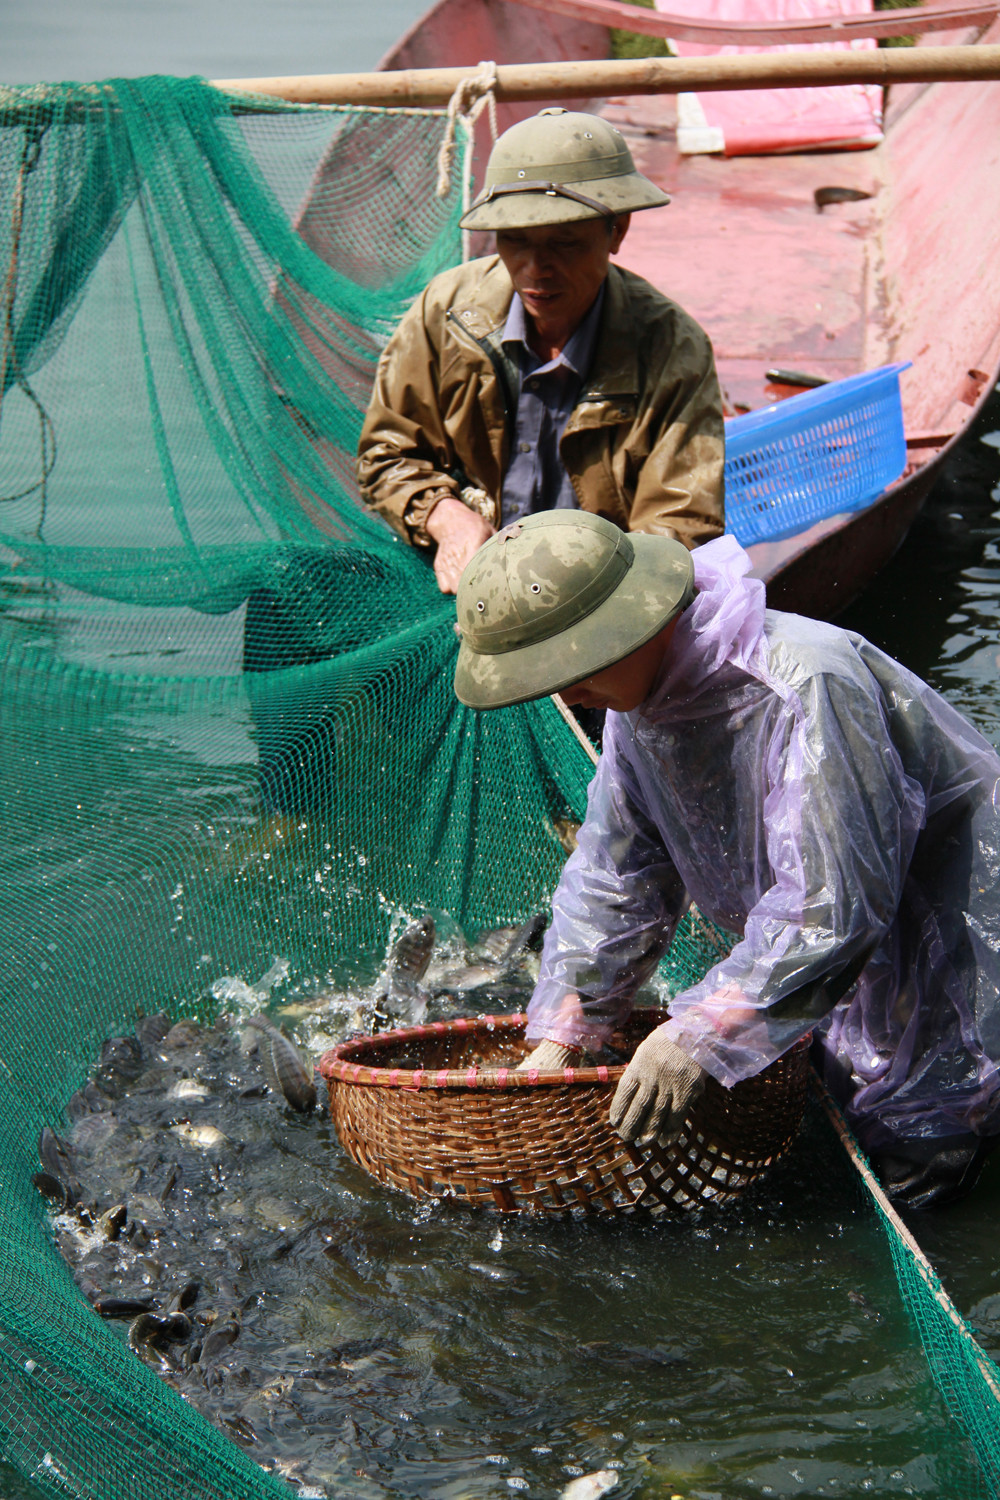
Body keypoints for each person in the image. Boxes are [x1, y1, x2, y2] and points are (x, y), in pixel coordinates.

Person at [452, 510, 1000, 1210]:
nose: (567, 694)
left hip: (951, 959)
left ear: (639, 623)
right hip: (840, 975)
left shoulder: (806, 684)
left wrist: (698, 1034)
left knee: (921, 1162)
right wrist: (568, 1029)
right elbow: (618, 878)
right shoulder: (639, 708)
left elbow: (833, 909)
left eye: (575, 668)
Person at [357, 107, 725, 595]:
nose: (535, 269)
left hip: (599, 596)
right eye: (514, 241)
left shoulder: (673, 349)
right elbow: (387, 454)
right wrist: (445, 517)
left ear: (617, 230)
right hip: (460, 583)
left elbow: (678, 530)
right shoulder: (446, 313)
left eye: (564, 243)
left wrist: (577, 596)